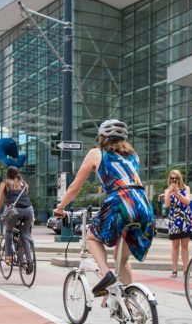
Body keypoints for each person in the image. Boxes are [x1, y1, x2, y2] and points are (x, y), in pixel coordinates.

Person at [54, 119, 155, 296]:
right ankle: (128, 299)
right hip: (142, 205)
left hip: (119, 201)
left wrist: (60, 208)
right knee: (121, 259)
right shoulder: (134, 156)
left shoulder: (96, 153)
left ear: (102, 137)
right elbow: (138, 184)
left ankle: (105, 275)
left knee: (92, 237)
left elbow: (75, 187)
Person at [0, 166, 34, 269]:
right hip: (29, 210)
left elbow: (0, 201)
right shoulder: (24, 184)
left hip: (15, 211)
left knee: (8, 231)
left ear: (7, 174)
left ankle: (8, 256)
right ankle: (29, 260)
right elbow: (24, 197)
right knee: (24, 234)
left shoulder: (5, 183)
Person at [162, 169, 192, 277]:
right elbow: (167, 205)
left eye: (176, 178)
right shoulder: (167, 190)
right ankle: (174, 271)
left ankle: (186, 270)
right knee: (175, 246)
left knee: (185, 247)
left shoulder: (186, 188)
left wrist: (177, 194)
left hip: (185, 220)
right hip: (174, 220)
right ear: (169, 179)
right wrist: (169, 192)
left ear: (180, 178)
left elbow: (187, 201)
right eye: (172, 178)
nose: (174, 180)